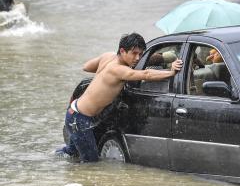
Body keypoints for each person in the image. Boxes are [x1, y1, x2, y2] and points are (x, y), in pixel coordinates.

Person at [56, 33, 183, 162]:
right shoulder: (119, 70)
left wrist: (103, 74)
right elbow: (146, 74)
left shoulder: (108, 57)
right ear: (122, 51)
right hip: (80, 120)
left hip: (75, 113)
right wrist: (171, 72)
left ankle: (54, 164)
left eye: (140, 54)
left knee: (71, 153)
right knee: (90, 162)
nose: (138, 58)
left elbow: (86, 66)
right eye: (134, 53)